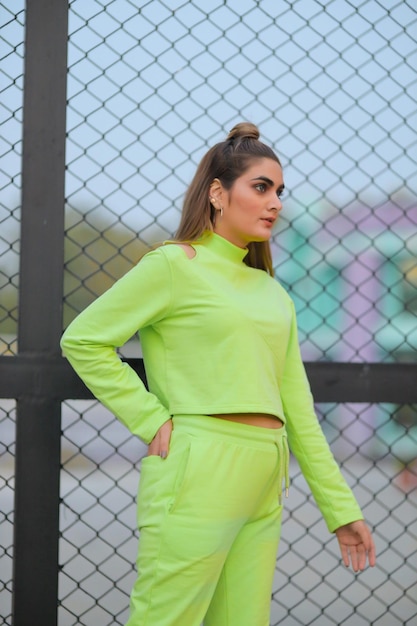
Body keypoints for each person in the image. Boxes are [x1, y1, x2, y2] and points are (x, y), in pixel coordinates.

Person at [61, 122, 376, 626]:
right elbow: (84, 339)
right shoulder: (173, 266)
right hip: (199, 465)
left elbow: (298, 408)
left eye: (279, 191)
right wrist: (150, 419)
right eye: (260, 187)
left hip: (265, 474)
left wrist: (341, 509)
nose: (275, 202)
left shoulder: (272, 292)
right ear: (217, 193)